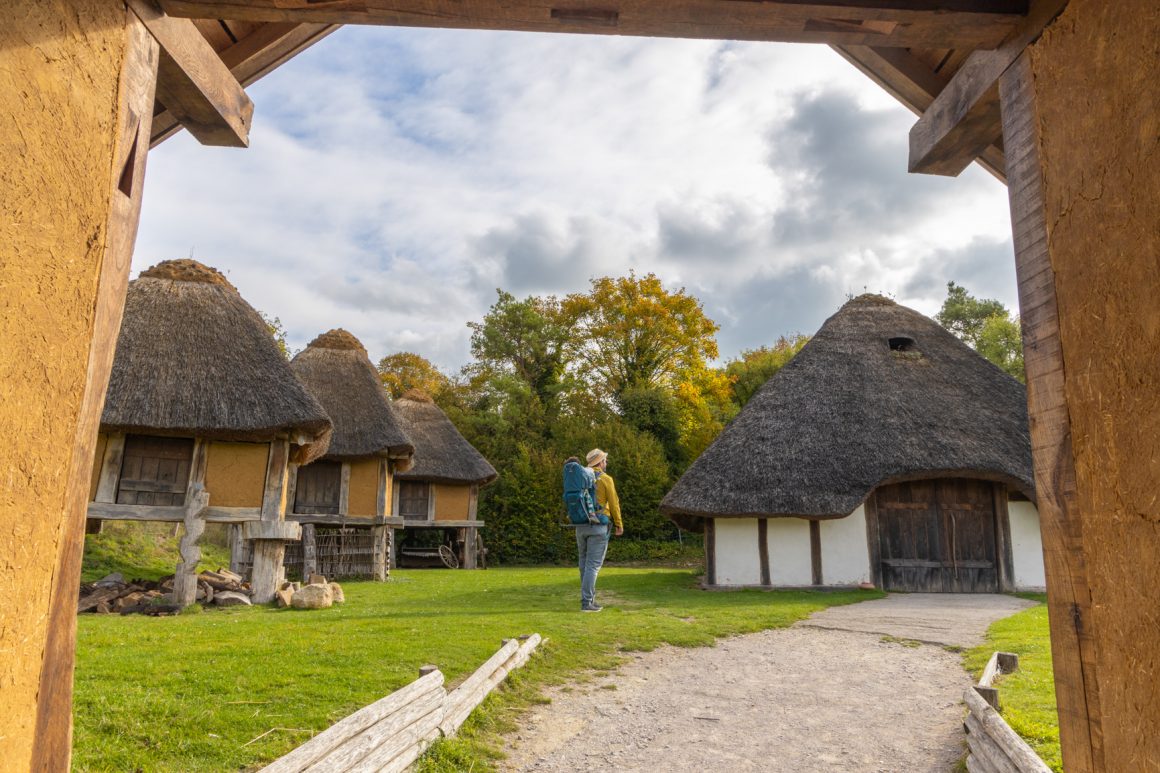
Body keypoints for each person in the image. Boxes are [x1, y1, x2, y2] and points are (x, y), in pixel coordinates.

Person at [573, 448, 623, 613]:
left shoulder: (581, 477)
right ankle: (587, 603)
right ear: (600, 462)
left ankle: (588, 599)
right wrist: (619, 524)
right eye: (605, 460)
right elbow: (614, 503)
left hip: (580, 526)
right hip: (598, 527)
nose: (606, 463)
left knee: (583, 564)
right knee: (593, 566)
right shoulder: (605, 479)